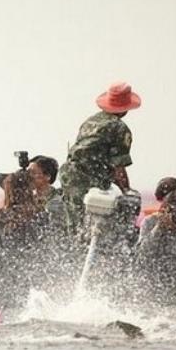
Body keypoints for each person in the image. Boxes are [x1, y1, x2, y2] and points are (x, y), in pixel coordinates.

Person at [59, 82, 141, 235]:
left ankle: (73, 249)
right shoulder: (119, 128)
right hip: (90, 176)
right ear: (126, 108)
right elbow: (119, 166)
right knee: (100, 221)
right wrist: (126, 190)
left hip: (68, 173)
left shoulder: (90, 121)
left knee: (75, 224)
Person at [0, 170, 48, 251]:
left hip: (9, 260)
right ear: (29, 190)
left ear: (9, 192)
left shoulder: (2, 214)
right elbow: (45, 244)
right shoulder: (40, 212)